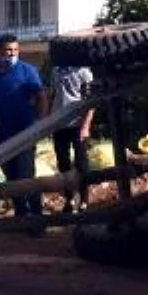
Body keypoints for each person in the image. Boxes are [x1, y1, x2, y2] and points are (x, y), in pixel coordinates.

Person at [0, 34, 48, 219]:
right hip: (3, 132)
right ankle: (21, 214)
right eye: (8, 51)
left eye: (15, 50)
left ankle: (37, 217)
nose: (12, 54)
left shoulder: (28, 71)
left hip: (25, 131)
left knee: (26, 176)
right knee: (10, 174)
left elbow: (41, 97)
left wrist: (40, 124)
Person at [50, 64, 95, 212]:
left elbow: (91, 101)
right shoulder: (56, 70)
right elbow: (53, 95)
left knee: (81, 162)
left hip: (77, 124)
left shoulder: (84, 72)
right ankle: (69, 198)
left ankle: (84, 200)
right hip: (59, 124)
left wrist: (85, 126)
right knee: (63, 162)